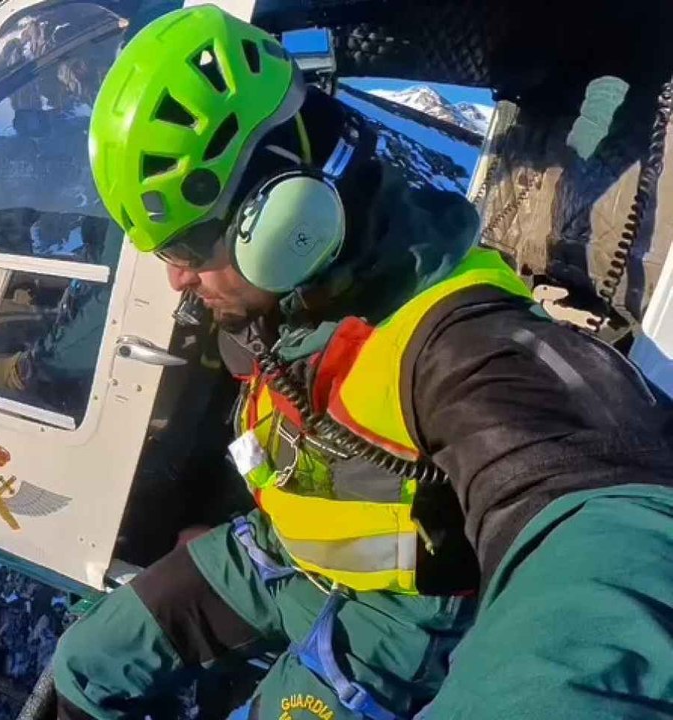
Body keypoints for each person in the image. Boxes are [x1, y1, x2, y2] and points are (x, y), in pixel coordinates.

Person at [52, 6, 673, 720]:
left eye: (188, 250)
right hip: (284, 552)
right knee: (83, 668)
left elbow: (608, 525)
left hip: (396, 622)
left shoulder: (460, 339)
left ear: (283, 220)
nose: (175, 283)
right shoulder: (289, 304)